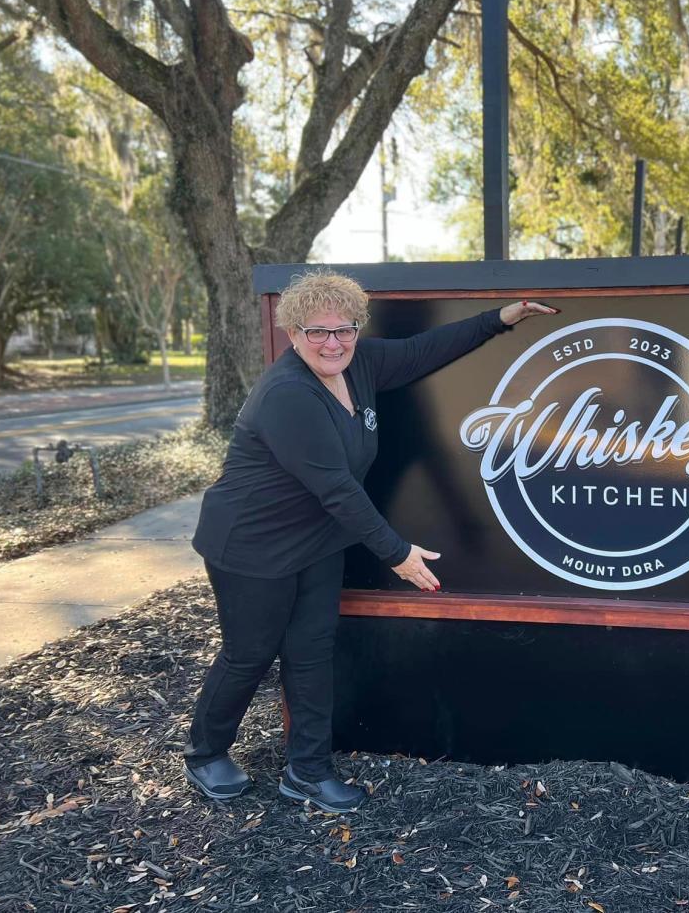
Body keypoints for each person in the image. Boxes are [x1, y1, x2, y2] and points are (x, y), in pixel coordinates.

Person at [184, 270, 556, 813]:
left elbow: (423, 350)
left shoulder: (359, 365)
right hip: (252, 545)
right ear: (292, 332)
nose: (333, 342)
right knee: (251, 653)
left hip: (317, 540)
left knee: (311, 653)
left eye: (345, 329)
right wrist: (397, 554)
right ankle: (205, 752)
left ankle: (307, 772)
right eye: (318, 332)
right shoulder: (288, 394)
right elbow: (336, 487)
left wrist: (499, 320)